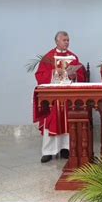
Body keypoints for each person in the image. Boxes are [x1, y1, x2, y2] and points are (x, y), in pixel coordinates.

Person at [34, 31, 87, 163]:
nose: (67, 42)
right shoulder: (48, 57)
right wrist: (53, 72)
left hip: (68, 97)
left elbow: (81, 75)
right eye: (64, 40)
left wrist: (75, 75)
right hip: (53, 97)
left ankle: (66, 149)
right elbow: (40, 75)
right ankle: (48, 152)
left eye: (68, 40)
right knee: (51, 120)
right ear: (57, 41)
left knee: (69, 121)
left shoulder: (73, 57)